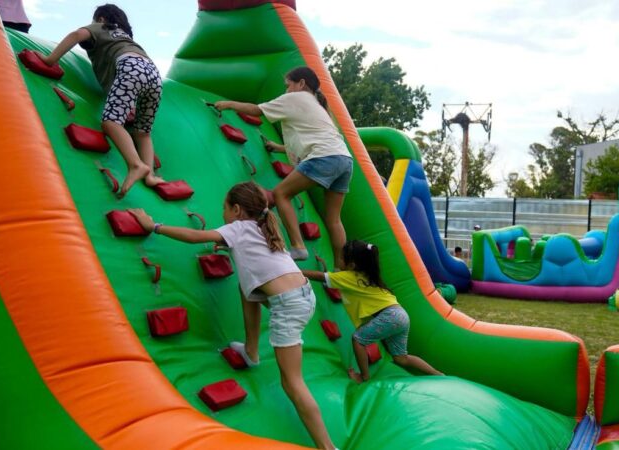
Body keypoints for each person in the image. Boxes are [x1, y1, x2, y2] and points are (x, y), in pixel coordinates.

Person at [128, 182, 336, 450]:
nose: (222, 213)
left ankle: (327, 447)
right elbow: (257, 260)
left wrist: (153, 226)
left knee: (292, 382)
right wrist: (229, 247)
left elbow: (195, 237)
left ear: (237, 210)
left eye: (224, 208)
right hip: (304, 295)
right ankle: (251, 351)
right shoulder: (264, 227)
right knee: (246, 286)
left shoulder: (236, 228)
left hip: (287, 306)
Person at [214, 67, 353, 269]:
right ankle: (342, 266)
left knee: (280, 193)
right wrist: (277, 147)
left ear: (301, 83)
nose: (286, 90)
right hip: (344, 160)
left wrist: (228, 104)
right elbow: (307, 138)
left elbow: (257, 110)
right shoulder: (318, 105)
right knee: (334, 220)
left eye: (288, 85)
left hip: (324, 157)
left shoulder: (295, 98)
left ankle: (298, 246)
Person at [36, 4, 164, 198]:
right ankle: (151, 175)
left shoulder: (102, 27)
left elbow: (76, 35)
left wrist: (49, 59)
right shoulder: (125, 38)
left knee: (111, 122)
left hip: (130, 67)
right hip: (154, 75)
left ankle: (136, 164)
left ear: (101, 18)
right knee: (143, 133)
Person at [302, 240, 443, 383]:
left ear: (352, 265)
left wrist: (296, 272)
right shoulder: (367, 276)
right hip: (400, 315)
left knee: (358, 339)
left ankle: (364, 377)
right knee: (401, 358)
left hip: (390, 316)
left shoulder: (351, 277)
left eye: (341, 258)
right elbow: (333, 278)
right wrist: (325, 266)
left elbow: (322, 277)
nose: (338, 260)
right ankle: (437, 374)